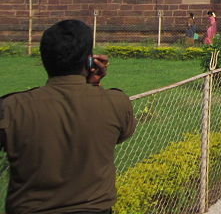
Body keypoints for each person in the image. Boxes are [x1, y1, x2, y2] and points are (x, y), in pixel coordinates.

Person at [0, 19, 136, 214]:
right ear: (89, 60)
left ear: (44, 58)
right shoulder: (116, 103)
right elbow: (123, 133)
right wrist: (93, 85)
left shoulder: (11, 108)